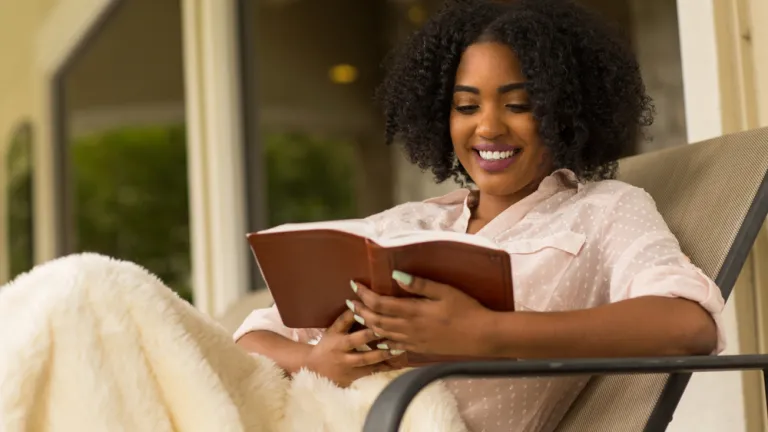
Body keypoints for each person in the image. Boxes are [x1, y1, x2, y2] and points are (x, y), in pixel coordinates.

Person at [235, 0, 725, 431]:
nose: (488, 126)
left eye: (519, 104)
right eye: (466, 106)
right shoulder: (406, 224)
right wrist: (317, 361)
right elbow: (251, 338)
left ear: (565, 112)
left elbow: (688, 325)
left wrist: (486, 332)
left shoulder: (606, 209)